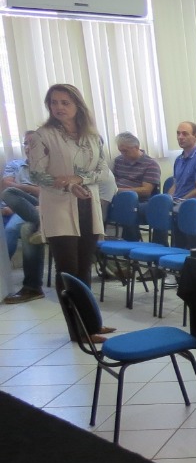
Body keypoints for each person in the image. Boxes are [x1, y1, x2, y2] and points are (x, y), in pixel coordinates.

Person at [29, 85, 110, 334]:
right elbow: (36, 174)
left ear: (77, 106)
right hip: (58, 206)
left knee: (84, 266)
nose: (59, 107)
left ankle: (92, 325)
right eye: (54, 103)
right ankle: (77, 330)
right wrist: (67, 186)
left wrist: (78, 180)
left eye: (65, 102)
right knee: (68, 270)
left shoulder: (92, 136)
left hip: (88, 203)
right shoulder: (42, 136)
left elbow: (103, 171)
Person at [2, 131, 46, 305]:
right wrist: (30, 188)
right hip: (21, 206)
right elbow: (6, 185)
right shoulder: (15, 164)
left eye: (32, 144)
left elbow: (46, 191)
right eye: (26, 144)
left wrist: (25, 188)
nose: (28, 148)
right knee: (9, 193)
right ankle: (41, 221)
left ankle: (31, 287)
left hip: (45, 205)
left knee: (19, 228)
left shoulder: (47, 165)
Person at [111, 132, 160, 207]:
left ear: (136, 147)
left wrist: (119, 190)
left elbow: (146, 191)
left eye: (125, 151)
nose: (123, 154)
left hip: (138, 201)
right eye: (120, 151)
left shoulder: (151, 164)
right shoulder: (118, 160)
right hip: (117, 198)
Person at [168, 121, 196, 202]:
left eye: (185, 134)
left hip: (190, 205)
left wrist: (181, 201)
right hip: (176, 202)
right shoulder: (178, 159)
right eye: (178, 133)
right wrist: (167, 200)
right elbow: (175, 186)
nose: (180, 137)